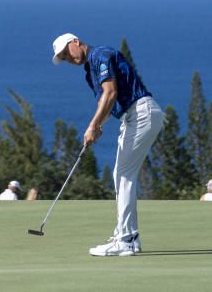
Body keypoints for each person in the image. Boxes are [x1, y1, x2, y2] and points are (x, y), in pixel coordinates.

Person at [52, 32, 163, 257]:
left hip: (141, 113)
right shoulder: (89, 71)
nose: (67, 58)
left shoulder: (100, 55)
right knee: (121, 175)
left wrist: (93, 125)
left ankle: (126, 240)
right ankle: (129, 236)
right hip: (134, 116)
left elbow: (110, 92)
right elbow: (107, 100)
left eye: (66, 52)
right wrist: (98, 125)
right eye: (63, 58)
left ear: (76, 41)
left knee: (123, 175)